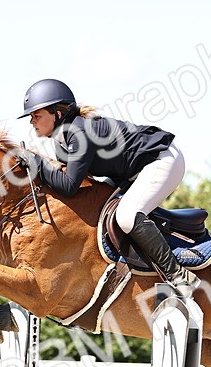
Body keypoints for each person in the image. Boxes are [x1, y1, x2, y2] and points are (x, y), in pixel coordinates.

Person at [16, 78, 194, 296]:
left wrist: (35, 162)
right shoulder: (62, 140)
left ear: (58, 114)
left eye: (36, 115)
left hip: (161, 160)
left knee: (127, 216)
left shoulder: (78, 133)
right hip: (131, 172)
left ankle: (178, 275)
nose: (32, 122)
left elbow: (69, 186)